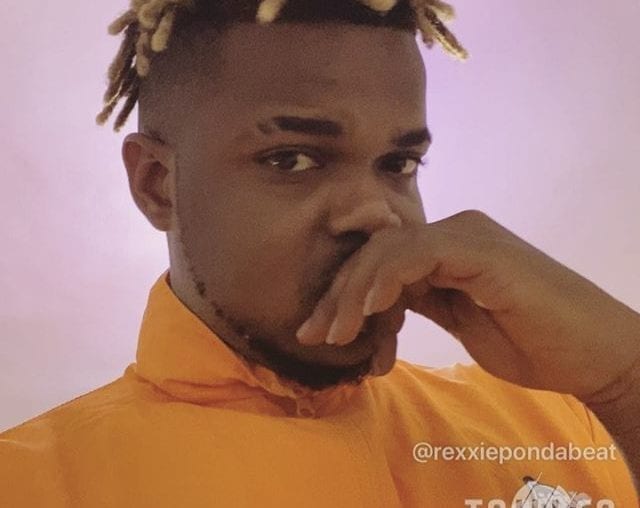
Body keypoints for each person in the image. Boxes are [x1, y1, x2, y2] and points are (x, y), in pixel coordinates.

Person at [1, 0, 638, 506]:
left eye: (399, 163)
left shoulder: (571, 420)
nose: (376, 212)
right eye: (292, 159)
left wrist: (625, 381)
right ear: (157, 185)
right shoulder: (26, 483)